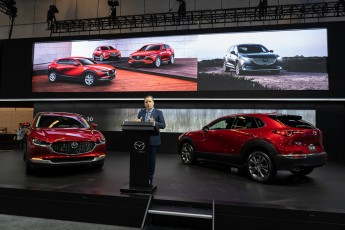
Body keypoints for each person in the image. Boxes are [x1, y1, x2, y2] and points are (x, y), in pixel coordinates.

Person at [135, 95, 166, 185]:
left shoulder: (158, 112)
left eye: (149, 101)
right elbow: (138, 124)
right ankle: (142, 176)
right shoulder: (141, 112)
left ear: (153, 102)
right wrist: (137, 123)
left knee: (151, 160)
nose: (148, 103)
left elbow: (163, 125)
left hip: (153, 140)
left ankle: (150, 177)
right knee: (142, 159)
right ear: (144, 104)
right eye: (146, 102)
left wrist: (154, 123)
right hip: (142, 141)